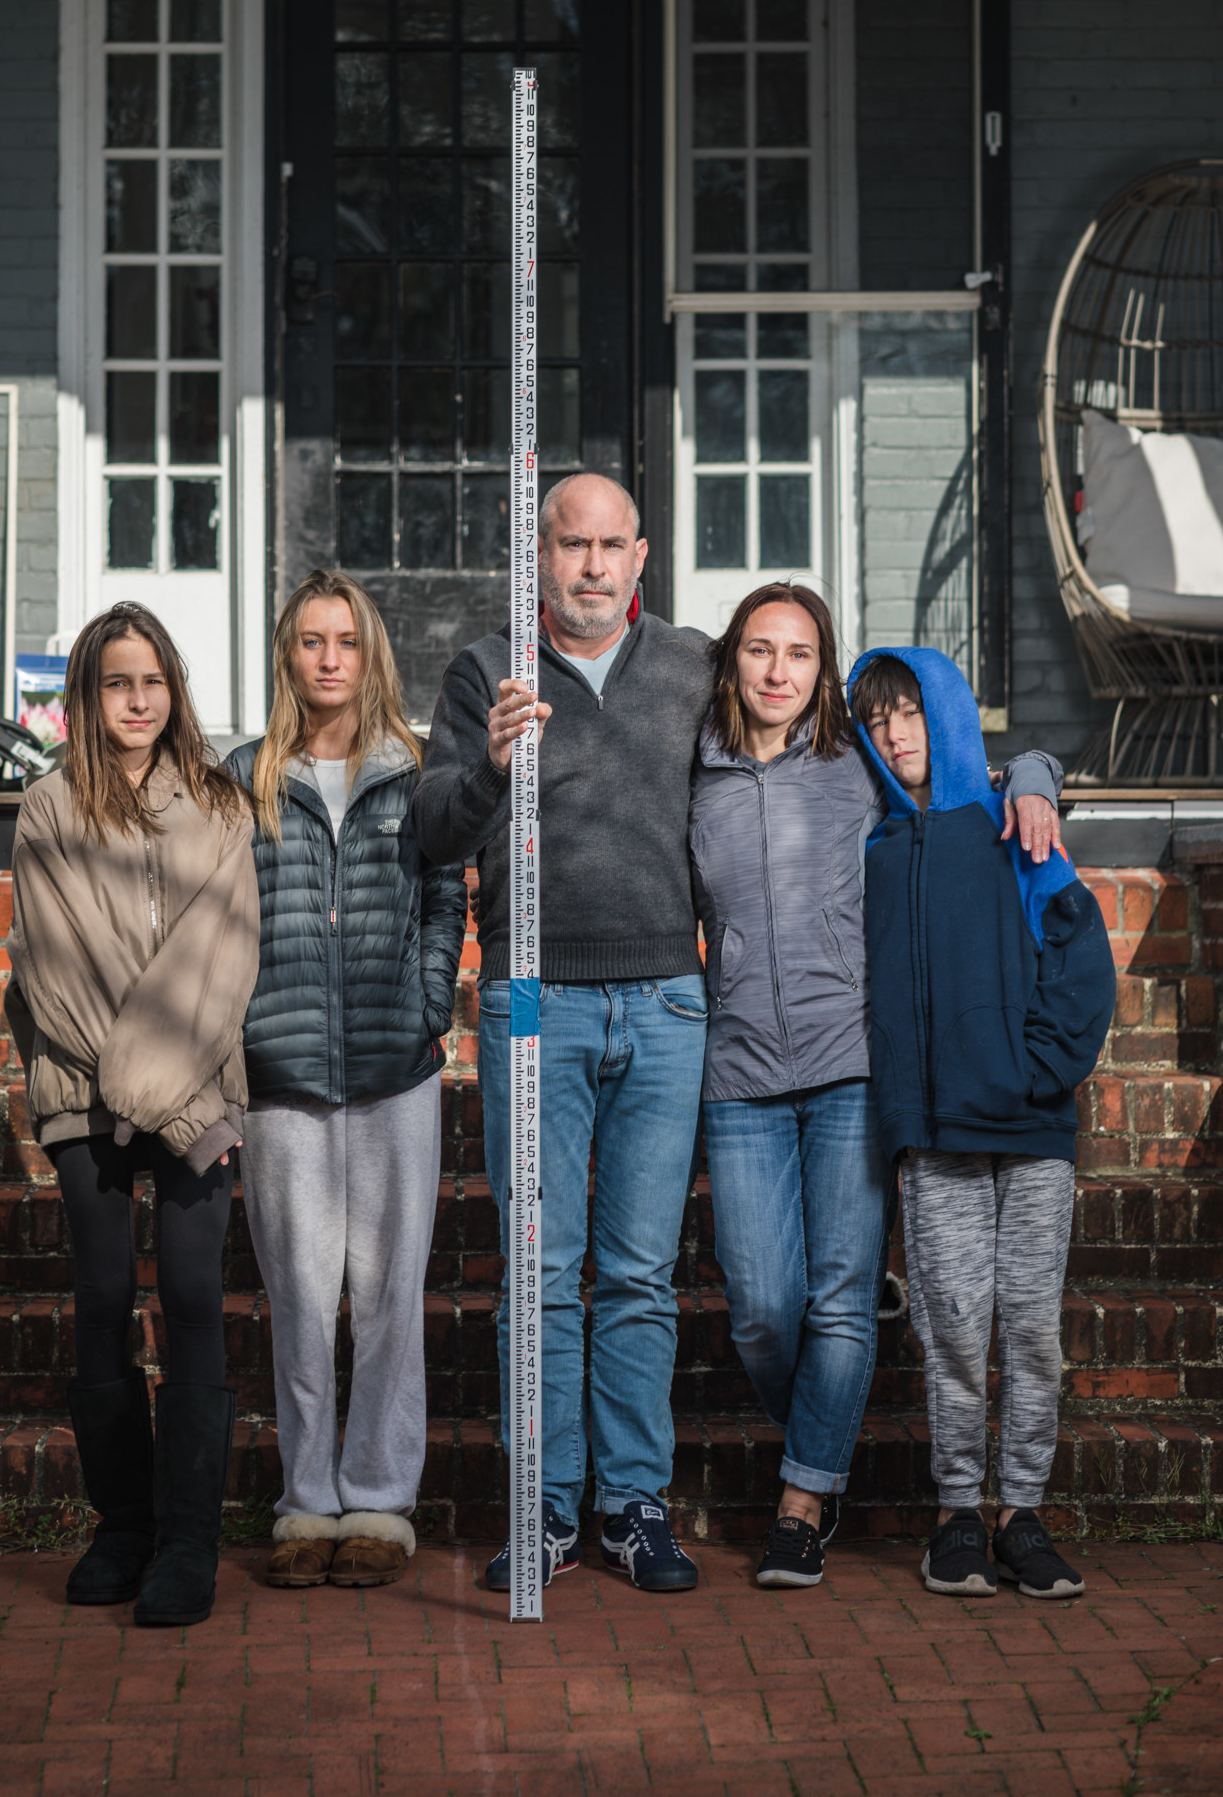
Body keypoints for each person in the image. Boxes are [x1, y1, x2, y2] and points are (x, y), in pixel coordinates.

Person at [690, 585, 1065, 1590]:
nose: (778, 670)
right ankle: (828, 1417)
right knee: (766, 1308)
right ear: (732, 663)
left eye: (800, 652)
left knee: (842, 1305)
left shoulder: (856, 765)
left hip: (854, 1064)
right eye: (760, 650)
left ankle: (803, 1501)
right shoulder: (697, 774)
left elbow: (975, 775)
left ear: (823, 671)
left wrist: (1037, 771)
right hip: (739, 1072)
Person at [411, 474, 715, 1592]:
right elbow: (431, 829)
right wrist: (490, 765)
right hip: (533, 1000)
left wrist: (1028, 770)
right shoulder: (488, 670)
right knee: (541, 1269)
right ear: (536, 554)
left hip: (666, 1001)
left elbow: (795, 751)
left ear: (642, 555)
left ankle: (632, 1502)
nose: (590, 565)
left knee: (638, 1271)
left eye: (610, 546)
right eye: (569, 544)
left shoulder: (691, 668)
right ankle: (542, 1506)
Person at [5, 604, 259, 1628]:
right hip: (82, 1093)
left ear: (175, 688)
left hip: (199, 1087)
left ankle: (190, 1538)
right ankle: (125, 1525)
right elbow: (54, 970)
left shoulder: (218, 801)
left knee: (195, 1298)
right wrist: (142, 1081)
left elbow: (222, 959)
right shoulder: (48, 807)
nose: (138, 699)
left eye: (152, 680)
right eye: (117, 681)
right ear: (86, 693)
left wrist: (168, 1092)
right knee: (103, 1298)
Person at [848, 647, 1114, 1600]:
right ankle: (957, 1514)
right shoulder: (872, 848)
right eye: (876, 721)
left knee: (1031, 1329)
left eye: (909, 713)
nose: (893, 734)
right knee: (953, 1328)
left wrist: (1034, 1075)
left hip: (1032, 1132)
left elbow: (1080, 961)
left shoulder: (1012, 825)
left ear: (948, 715)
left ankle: (1021, 1514)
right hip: (936, 1136)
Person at [226, 571, 466, 1591]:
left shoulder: (414, 770)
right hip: (279, 1077)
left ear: (371, 656)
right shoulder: (243, 774)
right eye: (311, 641)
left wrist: (423, 1004)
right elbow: (217, 915)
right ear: (288, 655)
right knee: (300, 1296)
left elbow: (446, 895)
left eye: (347, 641)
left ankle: (377, 1497)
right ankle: (306, 1500)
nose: (328, 658)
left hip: (392, 1072)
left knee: (386, 1296)